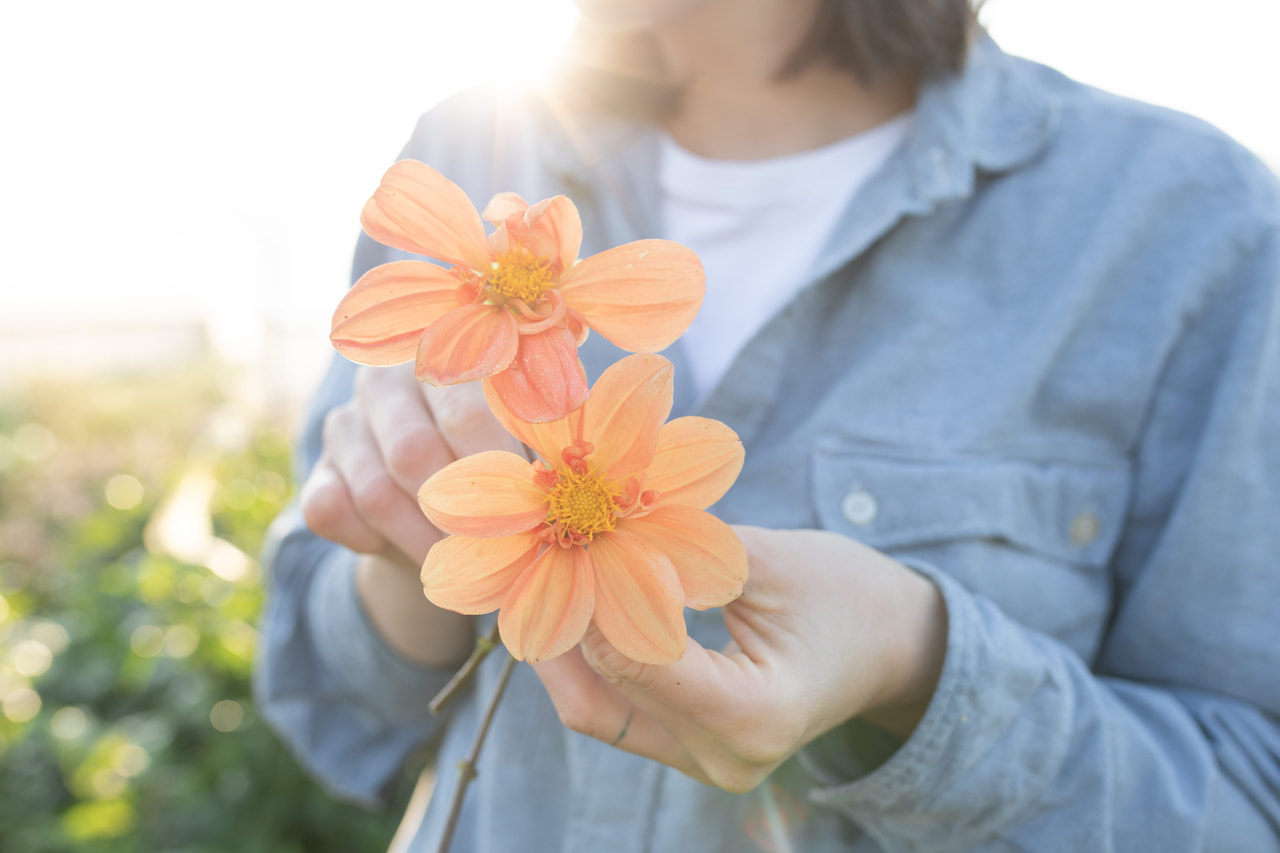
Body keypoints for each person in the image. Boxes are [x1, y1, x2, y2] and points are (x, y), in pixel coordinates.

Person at [253, 0, 1280, 849]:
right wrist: (408, 540)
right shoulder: (473, 143)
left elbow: (1247, 798)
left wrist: (916, 665)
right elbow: (323, 692)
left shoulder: (1185, 221)